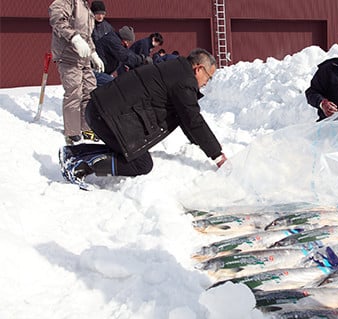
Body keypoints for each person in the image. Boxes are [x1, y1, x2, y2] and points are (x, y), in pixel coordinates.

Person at [59, 48, 227, 185]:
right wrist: (217, 155)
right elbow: (193, 119)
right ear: (198, 69)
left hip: (101, 109)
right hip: (107, 115)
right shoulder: (184, 80)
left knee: (130, 153)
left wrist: (197, 143)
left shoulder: (175, 70)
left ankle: (74, 153)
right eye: (208, 77)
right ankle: (80, 164)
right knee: (141, 163)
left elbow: (184, 117)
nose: (206, 83)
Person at [49, 0, 105, 144]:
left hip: (84, 58)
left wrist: (94, 54)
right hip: (68, 56)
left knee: (90, 92)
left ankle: (87, 128)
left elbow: (87, 36)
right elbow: (57, 19)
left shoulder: (86, 8)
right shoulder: (66, 2)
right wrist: (74, 37)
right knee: (74, 93)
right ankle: (72, 132)